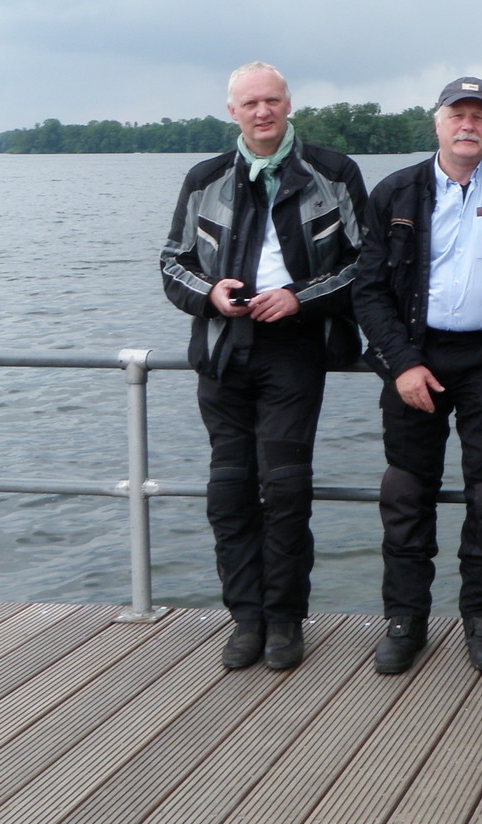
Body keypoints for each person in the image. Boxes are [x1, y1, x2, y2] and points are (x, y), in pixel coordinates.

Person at [161, 61, 367, 672]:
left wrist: (301, 294)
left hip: (296, 348)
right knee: (228, 491)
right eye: (250, 103)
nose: (262, 112)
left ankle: (284, 621)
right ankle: (244, 619)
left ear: (288, 104)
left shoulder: (333, 173)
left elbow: (366, 263)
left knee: (284, 487)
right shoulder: (205, 179)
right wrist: (209, 294)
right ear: (232, 111)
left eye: (272, 100)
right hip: (224, 348)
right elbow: (172, 262)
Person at [352, 76, 482, 675]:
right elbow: (368, 291)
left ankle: (481, 616)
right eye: (458, 114)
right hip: (414, 361)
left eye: (480, 115)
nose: (468, 125)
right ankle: (405, 619)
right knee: (405, 494)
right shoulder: (396, 192)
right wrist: (402, 363)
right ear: (438, 122)